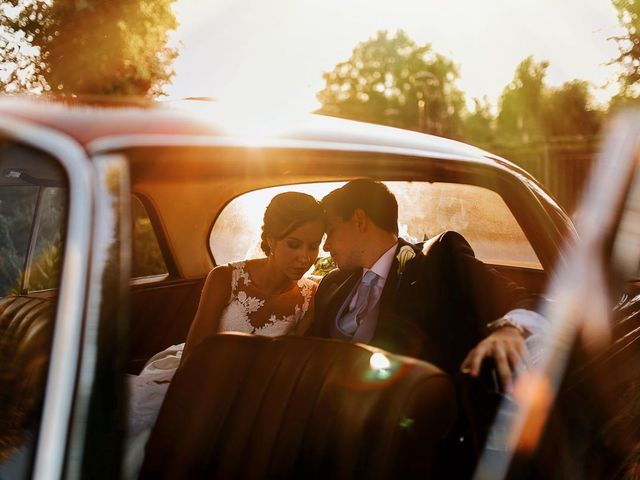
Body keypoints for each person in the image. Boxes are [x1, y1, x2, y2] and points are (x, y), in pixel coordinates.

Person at [125, 191, 324, 478]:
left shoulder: (310, 295)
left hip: (254, 392)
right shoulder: (225, 277)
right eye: (294, 244)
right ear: (271, 240)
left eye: (314, 246)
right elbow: (195, 351)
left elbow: (290, 365)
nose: (305, 257)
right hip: (197, 374)